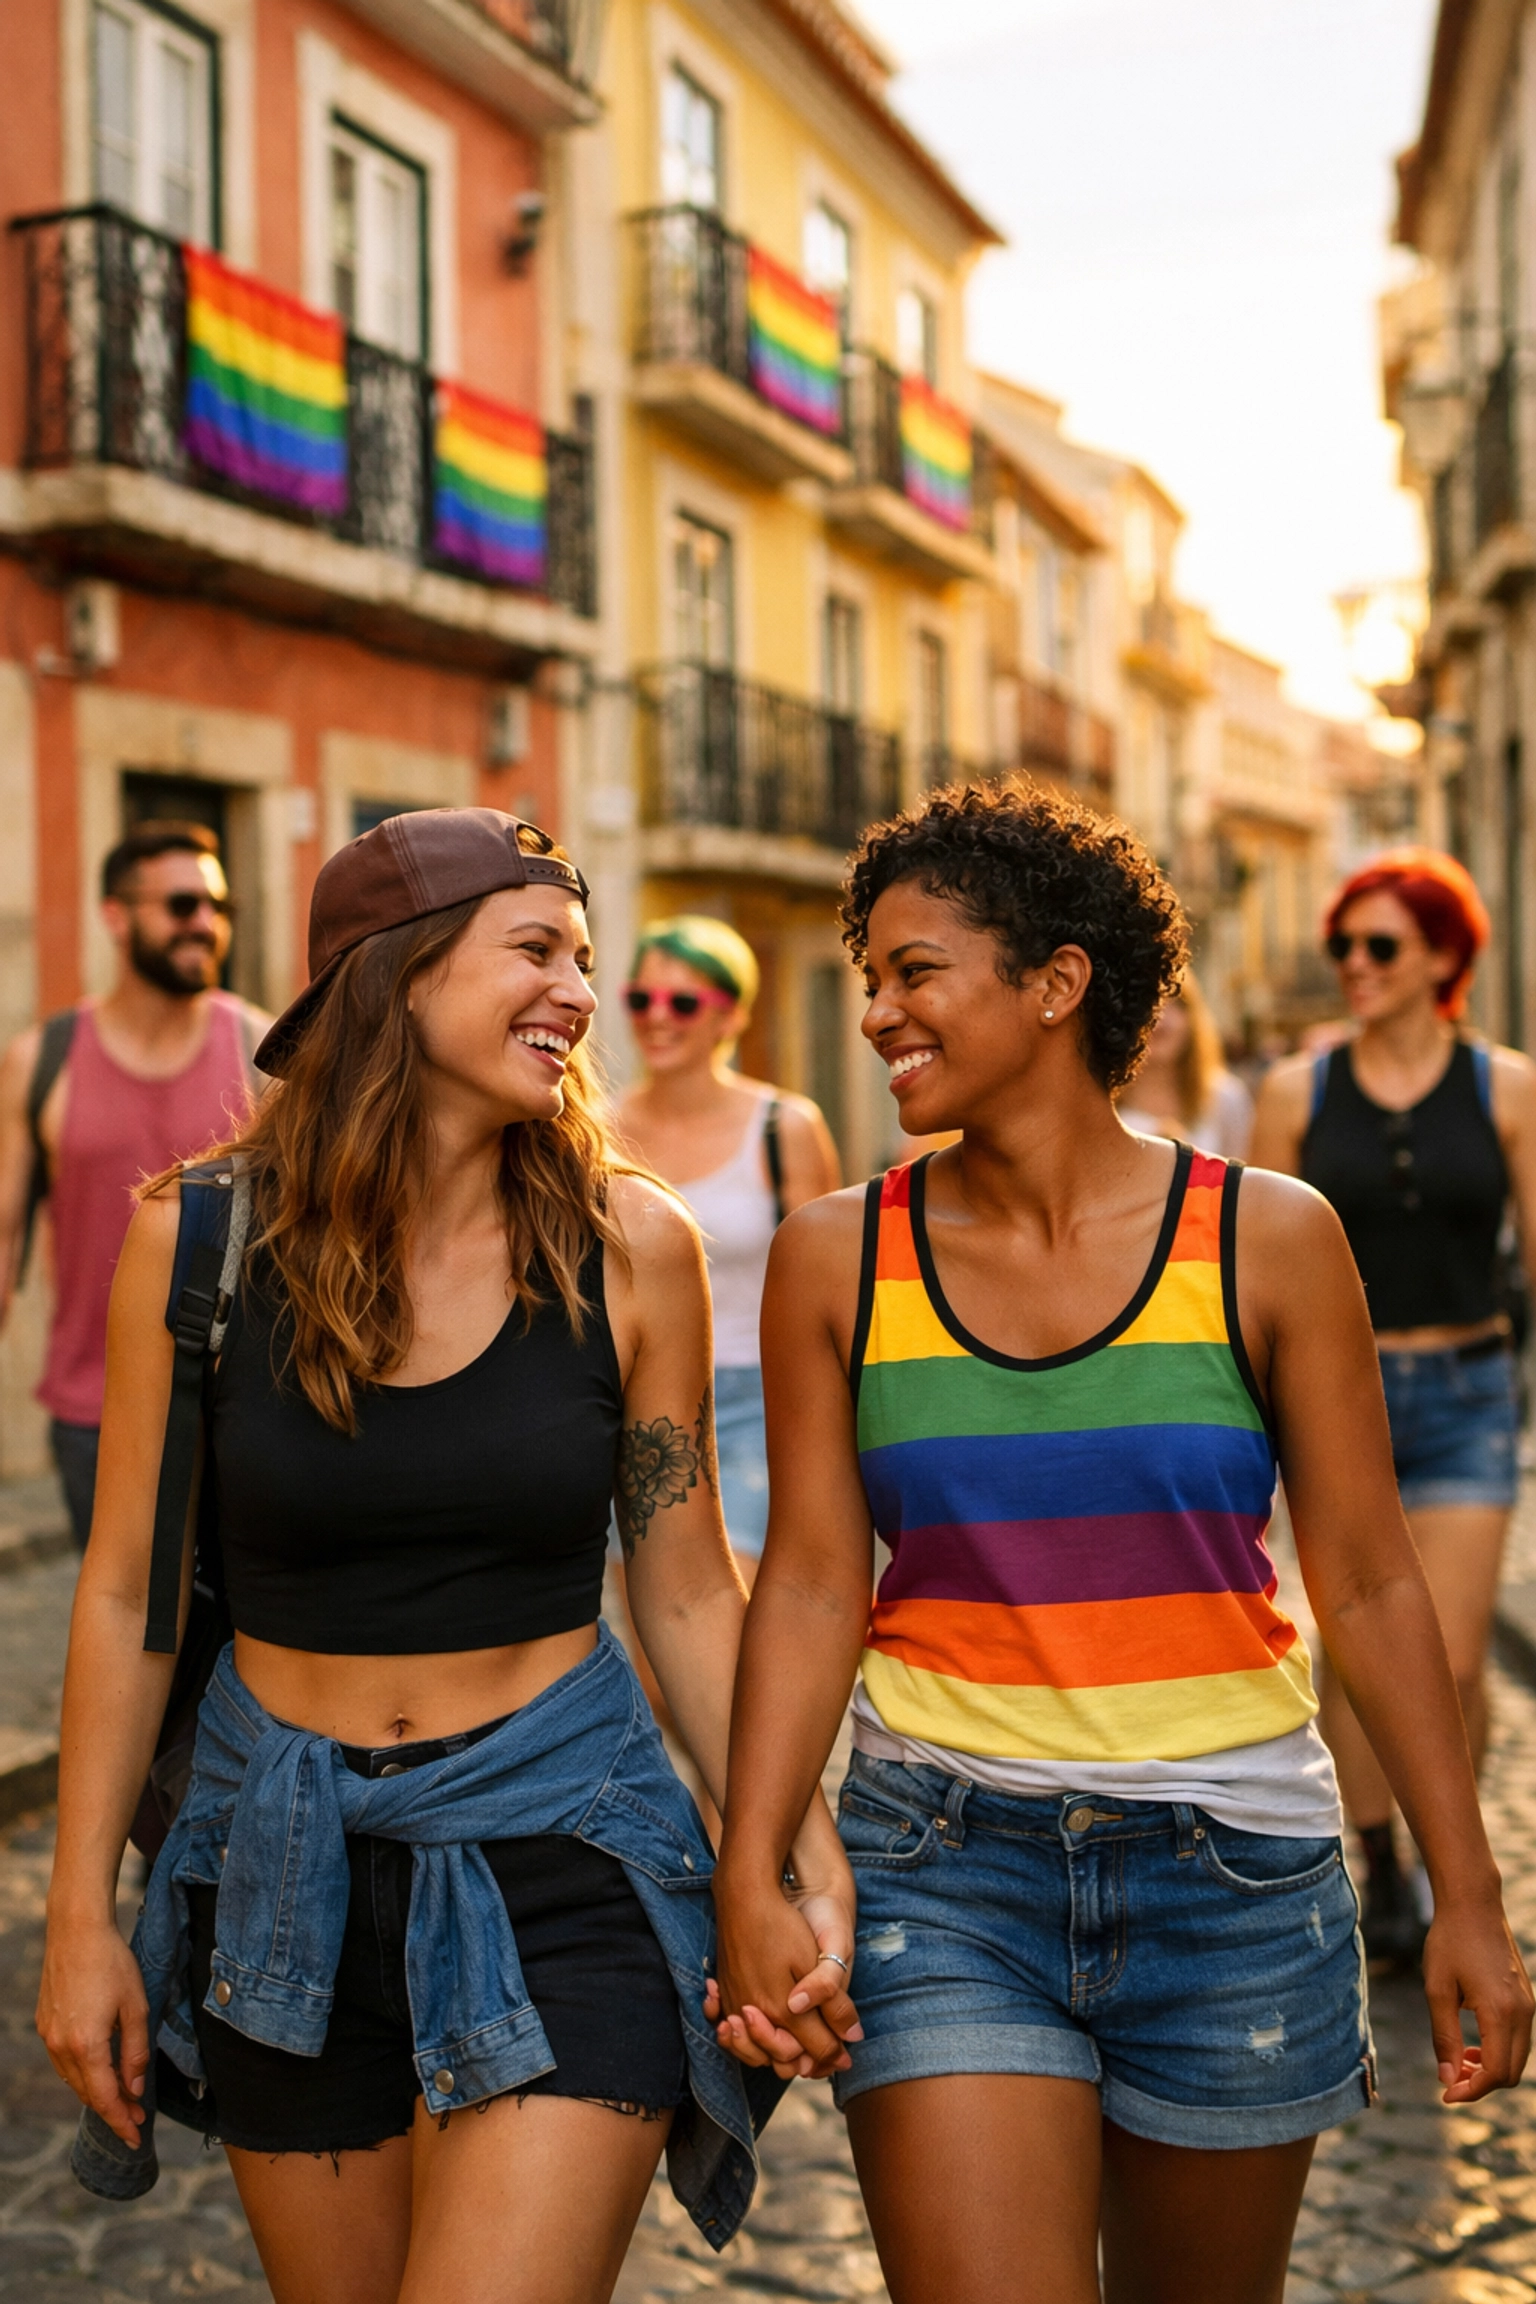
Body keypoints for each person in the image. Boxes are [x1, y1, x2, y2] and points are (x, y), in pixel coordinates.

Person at [708, 786, 1531, 2304]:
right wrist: (750, 1864)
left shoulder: (1269, 1237)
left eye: (915, 969)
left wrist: (1467, 1893)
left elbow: (1364, 1575)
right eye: (867, 976)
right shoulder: (840, 1254)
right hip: (943, 1863)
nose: (879, 1009)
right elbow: (818, 1579)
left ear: (1057, 981)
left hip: (1236, 1877)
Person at [37, 810, 857, 2304]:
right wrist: (80, 1915)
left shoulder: (632, 1247)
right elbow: (125, 1595)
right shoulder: (198, 1239)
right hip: (279, 1866)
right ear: (399, 975)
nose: (582, 995)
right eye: (535, 950)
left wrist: (786, 1846)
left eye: (587, 961)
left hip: (568, 1841)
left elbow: (683, 1589)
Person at [1252, 847, 1536, 1968]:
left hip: (1467, 1394)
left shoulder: (1506, 1087)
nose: (1354, 966)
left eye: (1380, 947)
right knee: (1359, 1658)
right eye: (1344, 947)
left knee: (1453, 1663)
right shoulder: (1296, 1093)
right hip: (1338, 1404)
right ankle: (1382, 1864)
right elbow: (1255, 1267)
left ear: (1443, 956)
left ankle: (1435, 1846)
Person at [0, 821, 267, 1547]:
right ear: (116, 915)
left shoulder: (259, 1054)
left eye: (218, 907)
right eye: (183, 905)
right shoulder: (41, 1061)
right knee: (124, 1625)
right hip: (94, 1416)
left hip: (239, 1412)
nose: (205, 925)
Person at [614, 916, 840, 1580]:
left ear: (732, 1016)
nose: (658, 1017)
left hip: (753, 1402)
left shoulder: (784, 1127)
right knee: (655, 1651)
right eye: (641, 999)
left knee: (721, 1612)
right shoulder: (595, 1131)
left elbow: (826, 1289)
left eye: (683, 1002)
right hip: (628, 1405)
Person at [1115, 971, 1252, 1156]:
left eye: (1176, 1003)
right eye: (1144, 1004)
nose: (1160, 1019)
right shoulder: (1099, 1098)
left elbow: (1241, 1175)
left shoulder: (1227, 1098)